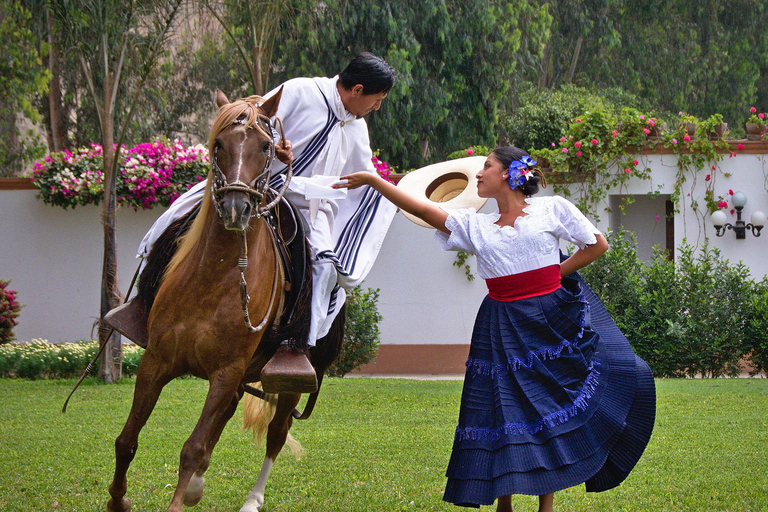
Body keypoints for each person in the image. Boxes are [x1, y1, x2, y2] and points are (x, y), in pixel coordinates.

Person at [335, 145, 655, 512]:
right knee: (503, 409)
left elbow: (597, 244)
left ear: (507, 174)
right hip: (499, 324)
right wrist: (377, 181)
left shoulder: (553, 208)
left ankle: (545, 505)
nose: (478, 173)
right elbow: (422, 208)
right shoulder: (475, 225)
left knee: (546, 405)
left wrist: (553, 275)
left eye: (486, 166)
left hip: (548, 320)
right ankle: (504, 503)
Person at [107, 52, 398, 392]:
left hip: (310, 207)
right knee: (172, 218)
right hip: (251, 185)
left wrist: (387, 195)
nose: (375, 108)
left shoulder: (357, 128)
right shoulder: (300, 91)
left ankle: (295, 347)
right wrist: (276, 148)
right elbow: (248, 120)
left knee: (325, 265)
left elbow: (358, 177)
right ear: (358, 89)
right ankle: (145, 305)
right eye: (377, 101)